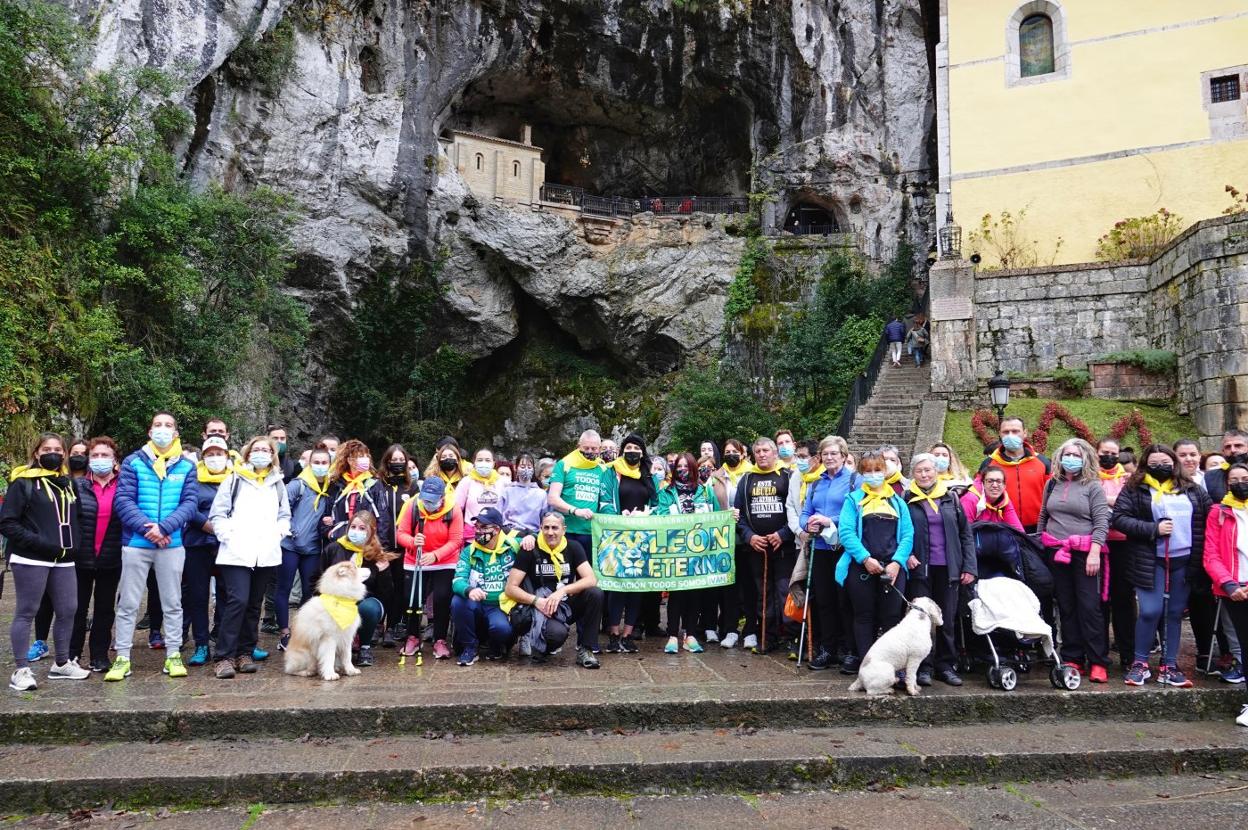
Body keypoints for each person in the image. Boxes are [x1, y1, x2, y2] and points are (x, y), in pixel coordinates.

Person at [107, 412, 198, 682]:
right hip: (137, 542)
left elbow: (189, 503)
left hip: (172, 544)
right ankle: (122, 657)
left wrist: (165, 527)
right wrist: (150, 529)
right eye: (158, 425)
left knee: (172, 602)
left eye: (168, 426)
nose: (162, 429)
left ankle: (172, 655)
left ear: (176, 434)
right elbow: (123, 501)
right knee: (128, 603)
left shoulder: (186, 466)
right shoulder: (133, 462)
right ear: (149, 432)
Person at [1112, 444, 1210, 688]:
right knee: (1150, 611)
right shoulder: (1135, 488)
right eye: (1154, 464)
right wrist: (1152, 529)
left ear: (1173, 463)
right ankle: (1140, 663)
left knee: (1174, 613)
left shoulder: (1192, 489)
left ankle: (1169, 665)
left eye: (1165, 463)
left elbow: (1209, 513)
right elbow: (1120, 519)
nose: (1160, 468)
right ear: (1146, 465)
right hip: (1150, 559)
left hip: (1184, 559)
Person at [2, 433, 90, 690]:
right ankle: (21, 669)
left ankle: (61, 663)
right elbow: (7, 522)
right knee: (27, 611)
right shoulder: (23, 483)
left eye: (58, 449)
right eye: (47, 449)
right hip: (31, 558)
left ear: (64, 454)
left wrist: (77, 544)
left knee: (68, 609)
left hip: (64, 558)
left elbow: (80, 518)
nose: (53, 453)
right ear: (36, 454)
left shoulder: (68, 484)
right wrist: (38, 543)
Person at [208, 437, 290, 679]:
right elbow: (218, 513)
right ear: (247, 453)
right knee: (238, 600)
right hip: (236, 552)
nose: (261, 453)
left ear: (273, 455)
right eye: (257, 449)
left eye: (266, 450)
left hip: (265, 553)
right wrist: (227, 535)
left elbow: (284, 514)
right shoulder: (234, 478)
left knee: (254, 604)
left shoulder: (277, 482)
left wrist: (279, 533)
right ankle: (224, 656)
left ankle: (245, 653)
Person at [1038, 438, 1111, 684]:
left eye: (1076, 455)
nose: (1071, 459)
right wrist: (1041, 542)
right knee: (1066, 606)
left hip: (1084, 553)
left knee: (1089, 607)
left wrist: (1094, 552)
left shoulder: (1093, 486)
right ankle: (1073, 656)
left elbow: (1102, 522)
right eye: (1067, 454)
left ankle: (1098, 661)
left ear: (1086, 458)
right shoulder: (1052, 484)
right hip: (1056, 551)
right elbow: (1043, 515)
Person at [835, 450, 913, 664]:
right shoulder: (853, 500)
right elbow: (846, 532)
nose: (873, 474)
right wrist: (865, 559)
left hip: (893, 569)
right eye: (867, 470)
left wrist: (897, 563)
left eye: (877, 469)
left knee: (891, 618)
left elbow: (907, 535)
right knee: (863, 616)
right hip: (861, 568)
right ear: (861, 472)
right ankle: (867, 665)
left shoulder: (898, 502)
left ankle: (891, 665)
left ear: (885, 471)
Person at [905, 454, 976, 686]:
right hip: (920, 569)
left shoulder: (951, 498)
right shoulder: (906, 499)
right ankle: (923, 667)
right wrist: (907, 555)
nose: (924, 475)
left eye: (928, 470)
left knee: (947, 619)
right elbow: (901, 533)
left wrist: (968, 566)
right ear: (913, 474)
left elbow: (965, 534)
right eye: (919, 471)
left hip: (949, 568)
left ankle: (945, 665)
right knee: (920, 621)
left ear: (936, 471)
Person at [505, 510, 603, 668]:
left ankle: (587, 649)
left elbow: (591, 579)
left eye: (555, 528)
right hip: (540, 608)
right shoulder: (530, 548)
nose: (550, 533)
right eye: (546, 528)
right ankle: (540, 641)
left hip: (564, 604)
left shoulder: (573, 547)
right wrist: (536, 601)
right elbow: (510, 588)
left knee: (595, 593)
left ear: (564, 529)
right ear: (540, 528)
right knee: (556, 635)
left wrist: (563, 591)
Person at [798, 436, 859, 671]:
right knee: (824, 601)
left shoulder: (855, 480)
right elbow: (805, 513)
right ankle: (827, 649)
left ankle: (850, 650)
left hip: (845, 549)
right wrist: (808, 525)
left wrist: (828, 520)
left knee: (846, 601)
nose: (830, 457)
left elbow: (857, 512)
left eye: (834, 453)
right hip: (821, 549)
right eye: (825, 454)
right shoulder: (816, 484)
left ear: (844, 456)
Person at [734, 437, 796, 653]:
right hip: (757, 548)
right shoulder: (747, 478)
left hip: (783, 548)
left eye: (766, 450)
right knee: (764, 594)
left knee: (785, 592)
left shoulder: (788, 476)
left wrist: (783, 533)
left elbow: (798, 509)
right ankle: (767, 636)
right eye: (758, 451)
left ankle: (791, 637)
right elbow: (738, 515)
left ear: (775, 452)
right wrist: (749, 536)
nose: (762, 454)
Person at [597, 434, 658, 653]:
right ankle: (614, 634)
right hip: (617, 536)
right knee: (617, 587)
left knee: (636, 587)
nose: (632, 451)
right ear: (623, 451)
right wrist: (618, 516)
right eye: (628, 447)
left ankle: (628, 634)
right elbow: (603, 501)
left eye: (636, 448)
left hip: (642, 538)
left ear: (643, 452)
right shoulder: (611, 472)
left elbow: (657, 504)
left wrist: (645, 515)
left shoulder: (649, 476)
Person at [70, 438, 124, 672]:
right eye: (95, 455)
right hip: (80, 558)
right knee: (76, 608)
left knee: (104, 609)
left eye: (105, 455)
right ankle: (71, 655)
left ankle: (99, 656)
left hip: (111, 558)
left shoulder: (124, 486)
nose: (100, 460)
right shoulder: (77, 486)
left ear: (115, 461)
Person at [396, 476, 464, 659]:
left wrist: (435, 555)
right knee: (412, 599)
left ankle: (440, 639)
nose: (428, 504)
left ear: (442, 497)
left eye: (433, 501)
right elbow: (400, 534)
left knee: (442, 598)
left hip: (444, 560)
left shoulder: (453, 509)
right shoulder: (412, 505)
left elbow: (456, 540)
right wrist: (412, 541)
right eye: (425, 499)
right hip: (415, 559)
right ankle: (412, 636)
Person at [656, 452, 718, 654]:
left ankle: (690, 635)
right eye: (678, 466)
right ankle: (673, 635)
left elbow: (716, 516)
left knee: (694, 593)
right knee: (676, 594)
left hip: (699, 552)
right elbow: (661, 516)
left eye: (686, 466)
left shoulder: (705, 491)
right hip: (676, 551)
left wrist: (730, 515)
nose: (682, 469)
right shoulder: (666, 492)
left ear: (693, 469)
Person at [319, 511, 396, 668]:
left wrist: (384, 573)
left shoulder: (376, 554)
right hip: (336, 600)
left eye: (362, 528)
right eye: (353, 527)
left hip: (366, 601)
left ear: (371, 532)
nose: (356, 531)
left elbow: (387, 595)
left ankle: (364, 647)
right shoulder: (333, 549)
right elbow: (318, 578)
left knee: (368, 609)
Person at [1202, 462, 1248, 726]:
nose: (1240, 483)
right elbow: (1211, 554)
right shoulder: (1218, 512)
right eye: (1235, 480)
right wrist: (1228, 584)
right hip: (1234, 589)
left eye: (1245, 478)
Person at [182, 436, 230, 667]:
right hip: (197, 542)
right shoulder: (191, 478)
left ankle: (225, 640)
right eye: (210, 454)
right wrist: (208, 526)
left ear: (227, 456)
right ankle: (201, 644)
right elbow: (187, 506)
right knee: (198, 597)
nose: (214, 458)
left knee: (227, 595)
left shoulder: (236, 478)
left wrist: (222, 530)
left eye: (219, 453)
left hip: (227, 544)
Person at [277, 447, 332, 652]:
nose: (320, 466)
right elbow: (282, 510)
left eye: (324, 463)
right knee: (283, 589)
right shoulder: (297, 485)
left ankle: (301, 630)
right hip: (290, 546)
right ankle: (284, 632)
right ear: (309, 464)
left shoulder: (329, 488)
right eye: (316, 462)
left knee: (309, 592)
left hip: (312, 548)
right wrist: (290, 530)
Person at [451, 507, 518, 665]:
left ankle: (496, 645)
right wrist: (469, 590)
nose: (478, 531)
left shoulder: (513, 546)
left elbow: (539, 537)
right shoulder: (469, 551)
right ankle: (470, 647)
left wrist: (531, 538)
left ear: (496, 529)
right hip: (476, 603)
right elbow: (457, 580)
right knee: (457, 601)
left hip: (500, 606)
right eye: (477, 527)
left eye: (483, 527)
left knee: (502, 630)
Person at [1095, 437, 1134, 668]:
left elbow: (1128, 504)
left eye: (1113, 452)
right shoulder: (1089, 476)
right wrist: (1113, 501)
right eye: (1104, 452)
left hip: (1123, 543)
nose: (1109, 456)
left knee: (1124, 600)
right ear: (1097, 452)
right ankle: (1099, 654)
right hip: (1097, 544)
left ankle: (1128, 654)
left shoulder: (1128, 479)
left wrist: (1106, 500)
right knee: (1099, 602)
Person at [977, 416, 1051, 532]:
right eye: (1006, 432)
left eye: (1015, 431)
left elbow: (1053, 495)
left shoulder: (1043, 462)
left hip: (1038, 529)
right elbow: (977, 494)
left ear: (1025, 433)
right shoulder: (988, 464)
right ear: (1000, 435)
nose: (1010, 435)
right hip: (1001, 528)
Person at [378, 444, 418, 645]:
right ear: (387, 461)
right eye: (394, 460)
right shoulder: (378, 485)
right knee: (383, 587)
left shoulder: (412, 487)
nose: (398, 464)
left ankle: (394, 626)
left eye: (401, 460)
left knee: (401, 588)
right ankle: (379, 624)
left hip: (405, 547)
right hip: (383, 546)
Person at [547, 430, 604, 555]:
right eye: (586, 448)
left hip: (591, 531)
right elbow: (552, 498)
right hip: (566, 530)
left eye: (594, 449)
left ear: (600, 449)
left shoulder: (603, 468)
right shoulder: (564, 464)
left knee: (588, 573)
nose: (589, 452)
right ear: (578, 446)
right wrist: (576, 511)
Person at [455, 448, 505, 546]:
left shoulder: (502, 482)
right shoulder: (467, 481)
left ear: (494, 463)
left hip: (496, 536)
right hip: (472, 536)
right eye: (480, 460)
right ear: (474, 462)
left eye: (487, 460)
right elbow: (456, 508)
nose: (483, 463)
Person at [960, 466, 1025, 531]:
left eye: (999, 481)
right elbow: (964, 532)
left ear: (1004, 486)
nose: (995, 485)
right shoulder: (970, 500)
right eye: (990, 481)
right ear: (983, 484)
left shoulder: (1004, 501)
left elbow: (1018, 530)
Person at [500, 453, 547, 537]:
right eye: (522, 466)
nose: (526, 469)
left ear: (533, 469)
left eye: (529, 467)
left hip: (532, 534)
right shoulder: (507, 491)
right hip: (509, 533)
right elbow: (499, 515)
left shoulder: (541, 494)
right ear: (516, 468)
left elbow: (544, 517)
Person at [1205, 429, 1248, 504]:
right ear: (1223, 451)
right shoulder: (1210, 477)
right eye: (1228, 447)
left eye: (1238, 445)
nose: (1233, 450)